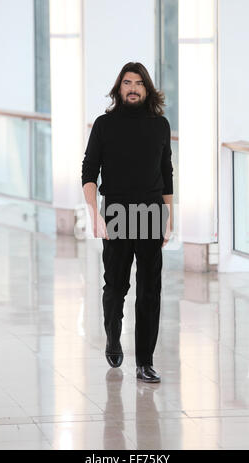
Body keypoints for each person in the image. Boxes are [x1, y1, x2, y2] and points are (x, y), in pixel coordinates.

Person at [81, 62, 173, 383]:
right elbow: (89, 171)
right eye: (127, 83)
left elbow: (167, 174)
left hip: (151, 214)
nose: (132, 88)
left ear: (146, 89)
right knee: (116, 286)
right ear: (119, 89)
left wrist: (168, 216)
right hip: (116, 213)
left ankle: (145, 361)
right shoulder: (104, 125)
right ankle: (112, 335)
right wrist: (95, 215)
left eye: (138, 83)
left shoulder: (160, 125)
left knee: (151, 291)